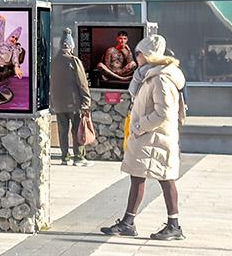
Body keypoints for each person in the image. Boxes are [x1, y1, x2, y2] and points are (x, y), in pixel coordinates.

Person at [101, 33, 188, 241]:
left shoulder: (160, 78)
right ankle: (128, 222)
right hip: (149, 138)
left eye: (138, 53)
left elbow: (164, 112)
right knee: (138, 176)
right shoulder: (149, 75)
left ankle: (173, 225)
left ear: (147, 55)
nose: (135, 57)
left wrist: (139, 126)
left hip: (155, 137)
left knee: (165, 179)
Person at [50, 28, 91, 166]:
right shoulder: (74, 61)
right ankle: (79, 157)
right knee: (77, 130)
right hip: (74, 103)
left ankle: (64, 157)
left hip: (58, 104)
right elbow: (82, 83)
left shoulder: (53, 62)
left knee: (62, 131)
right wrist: (86, 102)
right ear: (71, 46)